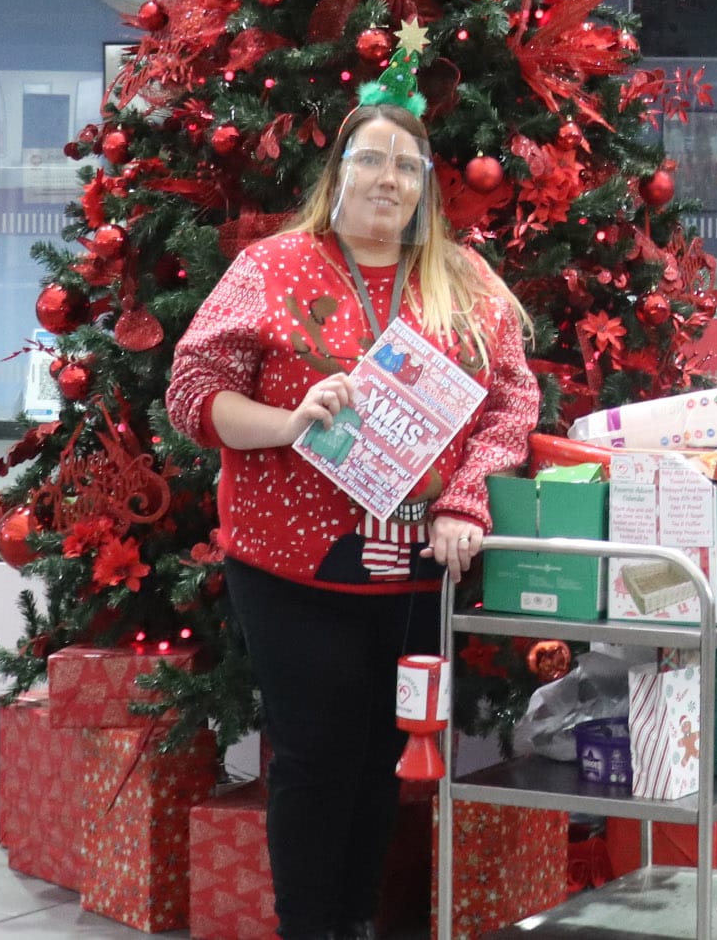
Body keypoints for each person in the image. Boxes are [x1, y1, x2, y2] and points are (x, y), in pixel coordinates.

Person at [165, 93, 537, 940]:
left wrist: (464, 495)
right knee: (312, 757)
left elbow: (512, 403)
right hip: (292, 565)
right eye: (371, 159)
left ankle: (358, 920)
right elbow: (192, 396)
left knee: (384, 758)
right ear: (336, 175)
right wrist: (290, 421)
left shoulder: (466, 280)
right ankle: (307, 926)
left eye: (408, 166)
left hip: (414, 569)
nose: (389, 179)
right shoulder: (271, 265)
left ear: (424, 191)